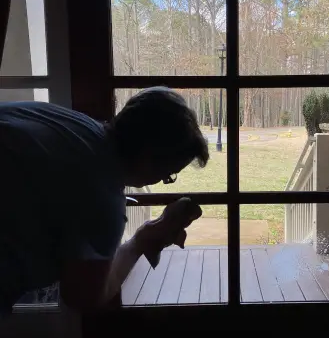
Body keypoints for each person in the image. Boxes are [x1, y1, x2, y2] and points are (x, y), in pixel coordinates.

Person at [0, 87, 209, 316]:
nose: (163, 181)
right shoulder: (101, 192)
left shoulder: (74, 123)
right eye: (168, 175)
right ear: (148, 160)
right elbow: (85, 296)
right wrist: (142, 240)